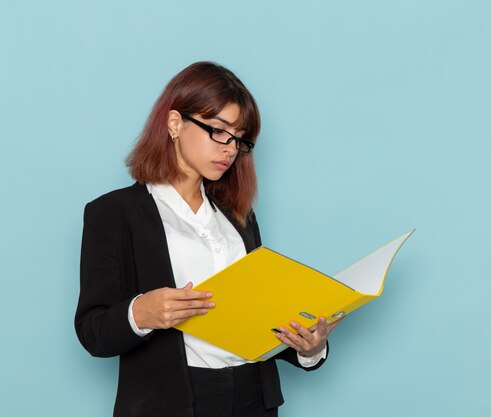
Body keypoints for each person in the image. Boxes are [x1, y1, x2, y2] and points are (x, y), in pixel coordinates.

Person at [75, 61, 337, 417]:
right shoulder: (114, 213)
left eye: (240, 139)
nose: (230, 149)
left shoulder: (238, 216)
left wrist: (308, 347)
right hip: (171, 402)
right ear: (174, 124)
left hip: (254, 400)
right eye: (218, 131)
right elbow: (93, 332)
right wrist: (142, 313)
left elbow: (255, 317)